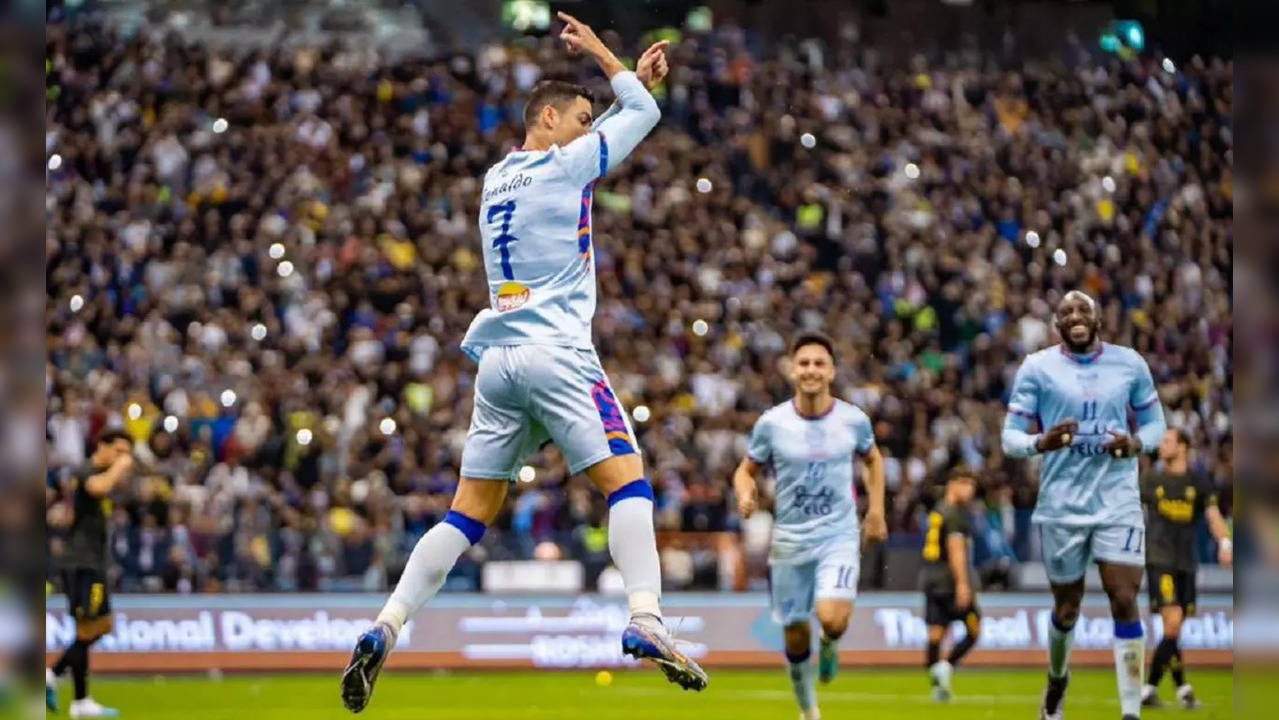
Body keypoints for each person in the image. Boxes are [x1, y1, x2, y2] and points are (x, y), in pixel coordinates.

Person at [340, 14, 708, 714]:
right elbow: (645, 111)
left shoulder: (494, 181)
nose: (584, 126)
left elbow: (625, 113)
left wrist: (623, 84)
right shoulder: (564, 163)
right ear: (546, 116)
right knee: (627, 484)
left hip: (498, 358)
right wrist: (607, 54)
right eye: (577, 114)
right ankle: (646, 617)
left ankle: (386, 624)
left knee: (467, 511)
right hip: (557, 352)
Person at [1002, 290, 1167, 720]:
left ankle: (1131, 710)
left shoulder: (1129, 363)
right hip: (1061, 506)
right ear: (1057, 323)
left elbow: (1155, 423)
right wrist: (1040, 442)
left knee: (1125, 597)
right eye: (1066, 312)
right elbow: (1010, 437)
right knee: (1067, 607)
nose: (1075, 316)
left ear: (1098, 318)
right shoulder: (1037, 367)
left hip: (1117, 500)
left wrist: (1136, 443)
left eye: (1083, 310)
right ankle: (1058, 680)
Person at [733, 332, 887, 720]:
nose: (811, 370)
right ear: (791, 371)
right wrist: (745, 492)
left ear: (832, 371)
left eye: (819, 363)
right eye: (804, 363)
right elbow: (745, 470)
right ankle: (808, 710)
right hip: (788, 542)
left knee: (833, 618)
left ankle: (831, 643)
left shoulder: (853, 420)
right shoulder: (772, 424)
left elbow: (873, 461)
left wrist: (876, 511)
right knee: (796, 633)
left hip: (838, 534)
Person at [1140, 428, 1232, 709]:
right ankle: (1147, 688)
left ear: (1183, 447)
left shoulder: (1198, 481)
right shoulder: (1151, 480)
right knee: (1173, 620)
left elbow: (1212, 515)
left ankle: (1182, 688)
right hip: (1159, 558)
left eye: (1167, 441)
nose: (1162, 445)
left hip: (1186, 563)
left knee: (1174, 629)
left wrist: (1225, 542)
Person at [46, 430, 134, 718]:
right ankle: (61, 682)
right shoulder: (88, 470)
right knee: (87, 628)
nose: (124, 459)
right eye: (119, 451)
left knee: (103, 625)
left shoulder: (99, 472)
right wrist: (120, 467)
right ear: (103, 447)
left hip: (94, 561)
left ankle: (77, 696)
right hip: (82, 562)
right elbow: (97, 488)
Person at [919, 467, 982, 702]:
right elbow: (956, 551)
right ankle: (946, 667)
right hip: (949, 581)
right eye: (965, 483)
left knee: (936, 635)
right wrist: (963, 584)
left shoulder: (937, 510)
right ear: (952, 484)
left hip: (931, 578)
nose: (970, 490)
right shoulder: (955, 514)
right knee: (974, 630)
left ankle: (937, 683)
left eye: (972, 484)